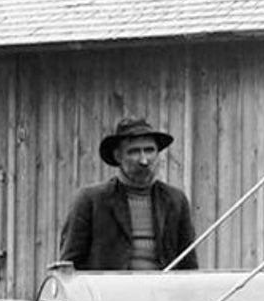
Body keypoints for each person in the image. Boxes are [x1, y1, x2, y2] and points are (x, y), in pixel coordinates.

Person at [59, 116, 199, 271]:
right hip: (108, 286)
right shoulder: (90, 200)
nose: (144, 160)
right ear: (118, 156)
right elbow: (68, 266)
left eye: (149, 150)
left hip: (162, 286)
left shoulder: (176, 200)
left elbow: (189, 267)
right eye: (134, 152)